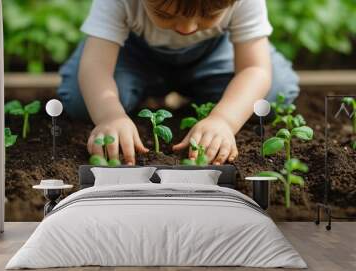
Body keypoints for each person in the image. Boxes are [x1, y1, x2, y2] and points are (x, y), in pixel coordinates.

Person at [57, 0, 299, 165]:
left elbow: (253, 68)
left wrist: (223, 119)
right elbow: (97, 66)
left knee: (272, 92)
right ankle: (140, 92)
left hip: (214, 53)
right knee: (82, 99)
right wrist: (110, 117)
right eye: (164, 14)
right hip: (131, 52)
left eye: (208, 14)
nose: (187, 27)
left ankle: (201, 94)